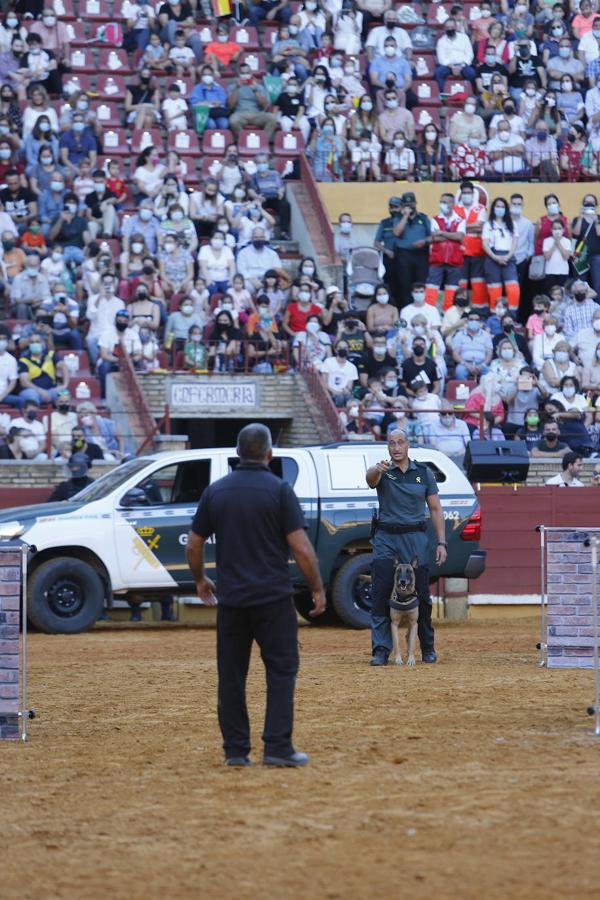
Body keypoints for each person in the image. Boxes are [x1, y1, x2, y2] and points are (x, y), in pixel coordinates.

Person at [187, 423, 325, 767]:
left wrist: (201, 579)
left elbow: (193, 543)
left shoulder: (216, 491)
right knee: (281, 670)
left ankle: (235, 750)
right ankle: (278, 747)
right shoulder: (279, 490)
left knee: (231, 675)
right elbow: (301, 548)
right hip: (273, 599)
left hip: (232, 601)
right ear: (269, 454)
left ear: (237, 453)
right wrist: (318, 588)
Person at [366, 428, 446, 667]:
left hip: (414, 537)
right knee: (380, 592)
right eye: (392, 443)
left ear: (408, 445)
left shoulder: (423, 472)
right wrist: (375, 469)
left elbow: (435, 509)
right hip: (386, 538)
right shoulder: (382, 470)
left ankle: (427, 647)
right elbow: (370, 479)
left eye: (400, 442)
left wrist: (442, 542)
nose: (396, 447)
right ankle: (381, 650)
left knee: (421, 593)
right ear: (388, 447)